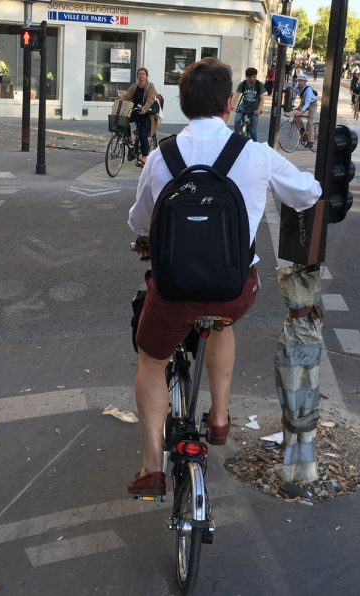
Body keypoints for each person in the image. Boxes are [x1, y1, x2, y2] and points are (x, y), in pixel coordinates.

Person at [125, 57, 322, 496]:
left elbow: (139, 222)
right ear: (230, 103)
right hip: (235, 290)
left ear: (180, 103)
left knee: (151, 360)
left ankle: (150, 467)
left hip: (173, 292)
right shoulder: (255, 154)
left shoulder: (162, 156)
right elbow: (307, 194)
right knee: (221, 324)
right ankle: (218, 418)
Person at [123, 67, 158, 167]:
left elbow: (150, 99)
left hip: (147, 113)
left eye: (143, 74)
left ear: (146, 76)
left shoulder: (150, 86)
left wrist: (144, 109)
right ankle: (129, 137)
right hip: (136, 111)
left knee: (143, 134)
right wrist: (118, 104)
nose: (141, 75)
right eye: (139, 74)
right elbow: (127, 96)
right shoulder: (135, 86)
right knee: (123, 120)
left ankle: (145, 157)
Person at [231, 67, 266, 141]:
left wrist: (259, 109)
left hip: (254, 109)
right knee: (237, 120)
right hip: (244, 106)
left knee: (252, 130)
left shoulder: (259, 85)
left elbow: (262, 99)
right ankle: (237, 137)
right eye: (253, 77)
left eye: (255, 76)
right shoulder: (242, 84)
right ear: (248, 77)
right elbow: (236, 95)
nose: (255, 78)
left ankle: (255, 145)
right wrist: (232, 105)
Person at [291, 74, 318, 148]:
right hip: (303, 102)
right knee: (296, 115)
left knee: (310, 122)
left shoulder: (308, 89)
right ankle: (302, 129)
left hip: (312, 104)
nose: (299, 82)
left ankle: (311, 142)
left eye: (301, 81)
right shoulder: (296, 87)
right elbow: (293, 97)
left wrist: (301, 111)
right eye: (298, 81)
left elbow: (308, 102)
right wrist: (291, 105)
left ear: (305, 82)